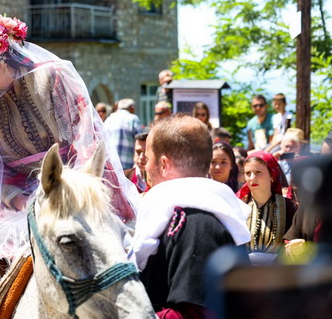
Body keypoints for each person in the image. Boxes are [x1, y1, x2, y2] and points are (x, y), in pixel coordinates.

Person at [0, 2, 138, 315]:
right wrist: (14, 198)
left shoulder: (51, 78)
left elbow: (86, 143)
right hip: (15, 197)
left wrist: (64, 194)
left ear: (0, 56)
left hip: (74, 184)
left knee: (112, 253)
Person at [128, 114, 250, 318]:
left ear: (164, 164)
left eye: (148, 158)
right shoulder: (197, 211)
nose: (146, 166)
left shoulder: (194, 221)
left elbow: (194, 312)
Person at [236, 151, 296, 264]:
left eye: (258, 172)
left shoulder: (288, 207)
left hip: (277, 273)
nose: (252, 178)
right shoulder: (238, 206)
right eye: (248, 173)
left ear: (272, 175)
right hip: (244, 272)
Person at [104, 98, 142, 170]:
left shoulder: (109, 120)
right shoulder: (133, 119)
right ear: (132, 108)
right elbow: (140, 140)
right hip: (128, 165)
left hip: (111, 165)